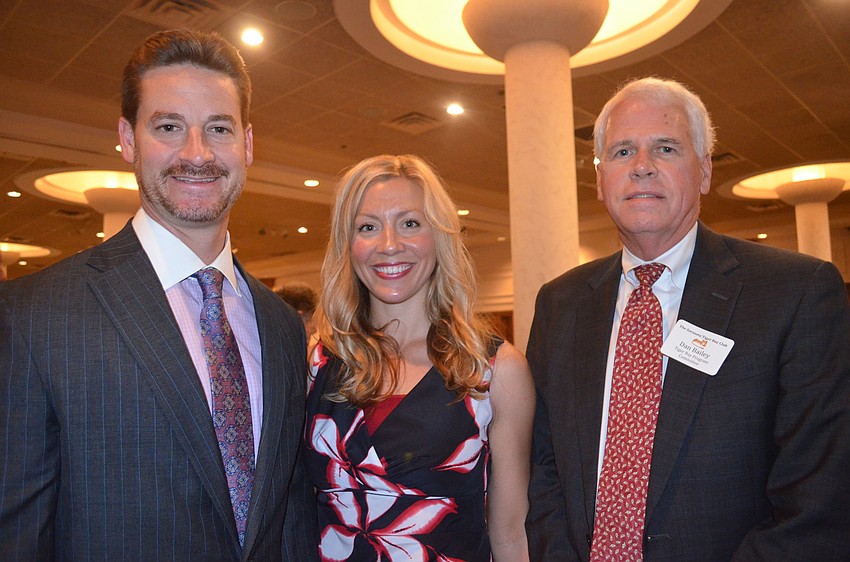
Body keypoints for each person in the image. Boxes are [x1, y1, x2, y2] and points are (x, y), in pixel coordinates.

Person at [0, 29, 317, 560]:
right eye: (169, 126)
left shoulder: (281, 325)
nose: (197, 153)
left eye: (219, 128)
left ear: (248, 144)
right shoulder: (35, 315)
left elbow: (287, 521)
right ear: (127, 138)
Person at [525, 76, 850, 561]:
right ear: (599, 180)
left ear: (703, 171)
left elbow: (817, 501)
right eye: (621, 152)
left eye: (666, 148)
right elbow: (543, 465)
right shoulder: (560, 303)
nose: (641, 168)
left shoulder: (796, 293)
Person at [303, 154, 535, 561]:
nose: (389, 245)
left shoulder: (495, 371)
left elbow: (511, 532)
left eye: (410, 223)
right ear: (348, 245)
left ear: (439, 236)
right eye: (368, 227)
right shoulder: (319, 362)